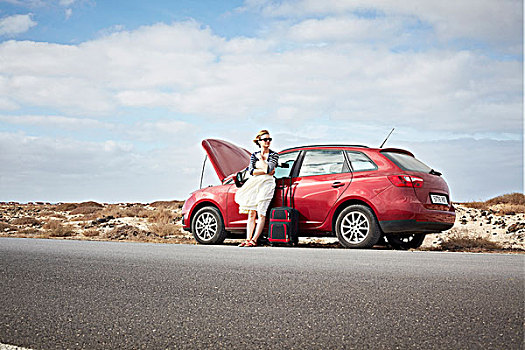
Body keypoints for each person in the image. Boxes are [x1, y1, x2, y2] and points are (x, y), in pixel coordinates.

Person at [235, 130, 279, 247]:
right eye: (265, 140)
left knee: (261, 213)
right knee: (251, 213)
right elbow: (251, 171)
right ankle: (248, 239)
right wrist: (264, 170)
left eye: (269, 139)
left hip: (267, 184)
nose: (268, 142)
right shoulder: (254, 155)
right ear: (259, 141)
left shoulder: (274, 155)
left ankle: (254, 240)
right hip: (254, 184)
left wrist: (262, 160)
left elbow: (269, 169)